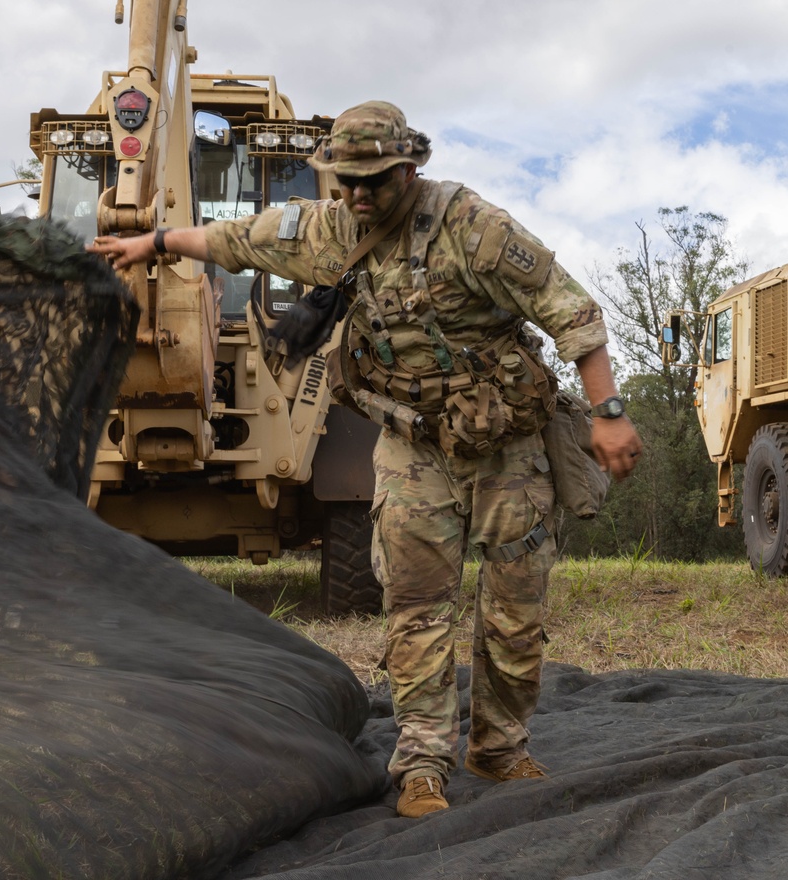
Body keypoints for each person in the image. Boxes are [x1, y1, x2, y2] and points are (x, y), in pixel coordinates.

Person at [87, 101, 642, 819]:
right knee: (416, 607)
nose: (355, 195)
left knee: (513, 611)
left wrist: (609, 414)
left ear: (410, 169)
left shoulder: (474, 228)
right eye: (344, 180)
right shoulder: (331, 230)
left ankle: (499, 748)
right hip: (412, 445)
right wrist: (156, 241)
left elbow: (572, 312)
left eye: (372, 181)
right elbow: (240, 239)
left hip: (507, 446)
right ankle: (422, 763)